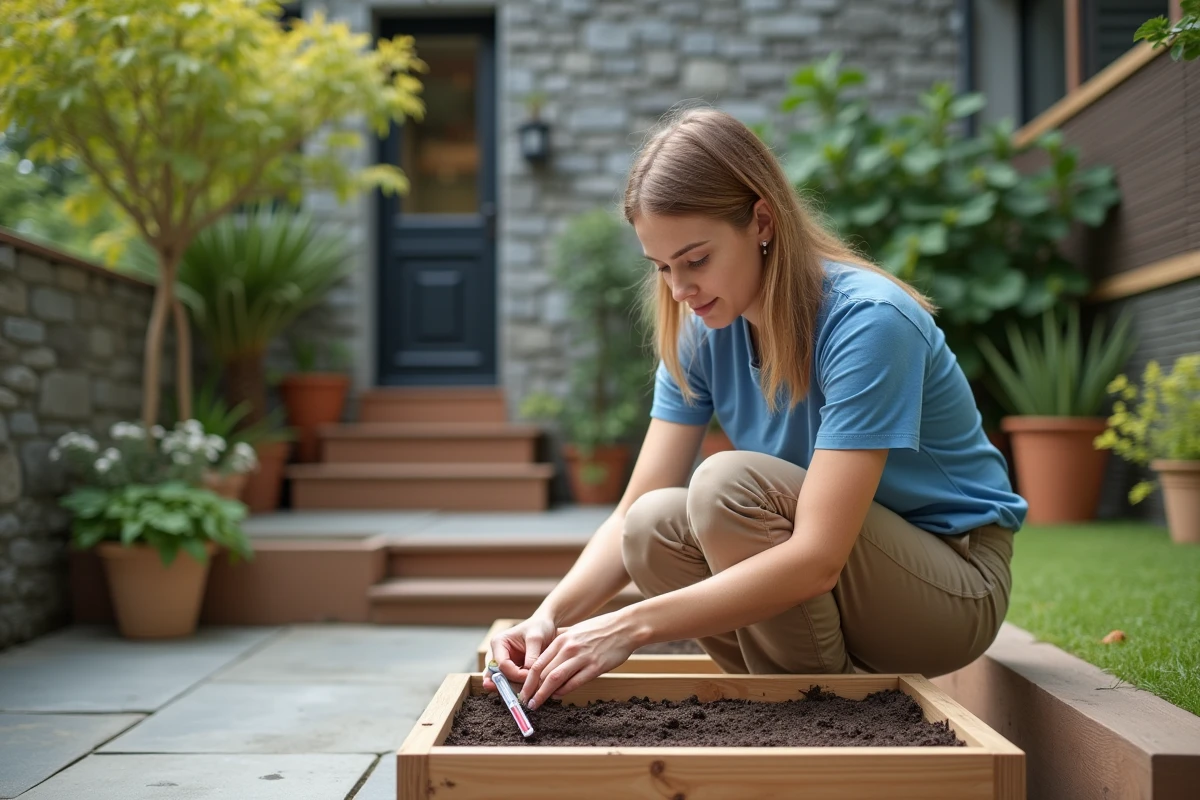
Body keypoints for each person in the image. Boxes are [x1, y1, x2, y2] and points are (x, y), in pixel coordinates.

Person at [485, 107, 1027, 712]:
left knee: (726, 483)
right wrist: (549, 616)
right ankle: (799, 708)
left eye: (696, 260)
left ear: (762, 221)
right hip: (844, 577)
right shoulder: (700, 329)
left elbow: (819, 557)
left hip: (949, 586)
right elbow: (630, 512)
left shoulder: (867, 321)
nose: (679, 289)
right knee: (652, 526)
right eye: (662, 267)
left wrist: (629, 626)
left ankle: (816, 716)